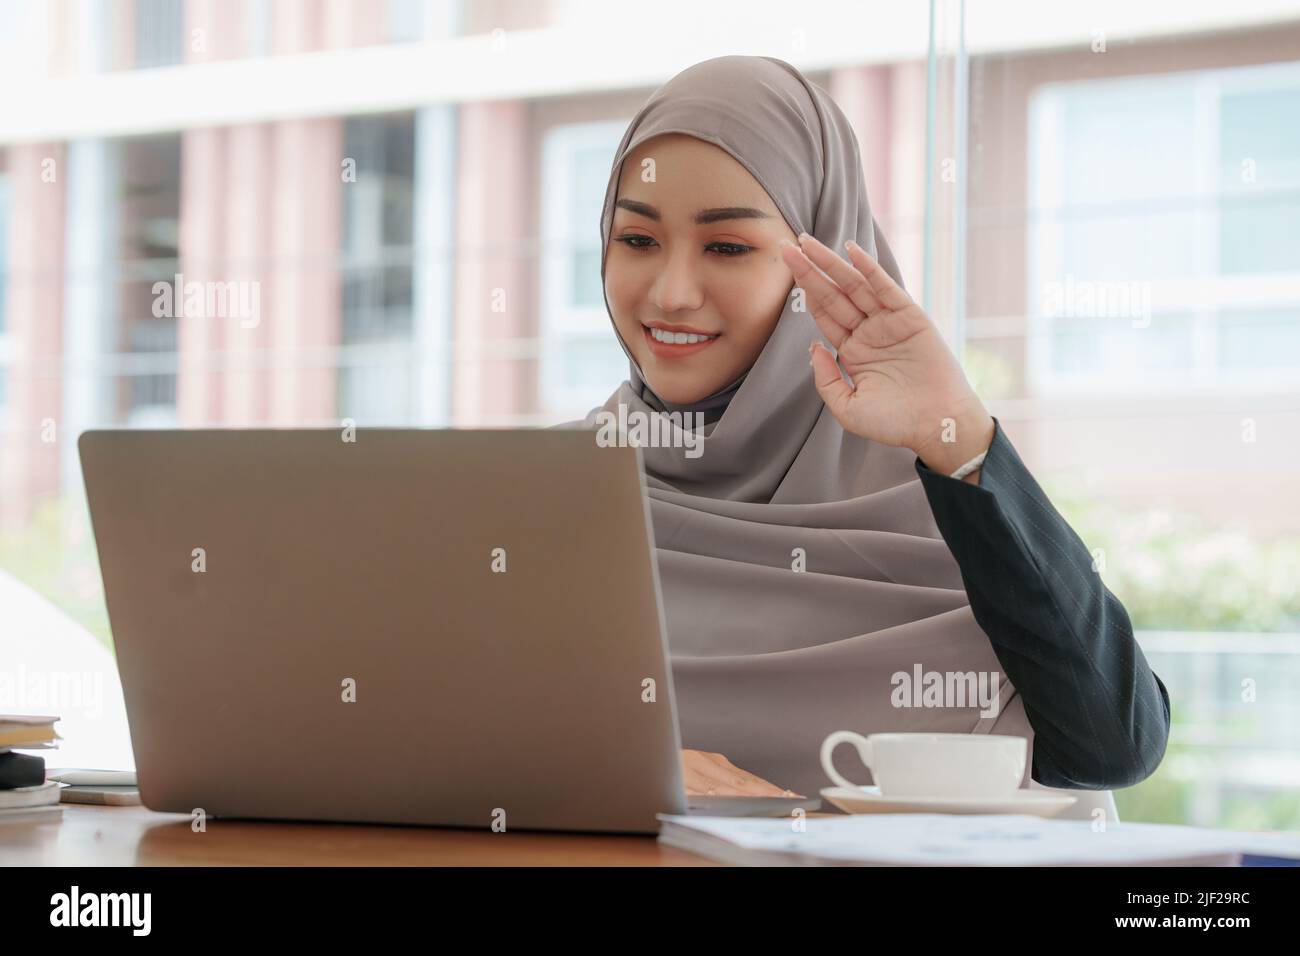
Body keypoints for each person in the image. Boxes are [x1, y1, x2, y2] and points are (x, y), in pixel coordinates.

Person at [562, 55, 1170, 801]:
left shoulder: (943, 497)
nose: (672, 292)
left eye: (728, 247)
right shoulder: (552, 494)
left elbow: (1112, 744)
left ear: (820, 259)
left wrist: (959, 435)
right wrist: (620, 772)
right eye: (637, 240)